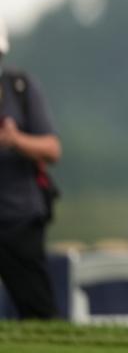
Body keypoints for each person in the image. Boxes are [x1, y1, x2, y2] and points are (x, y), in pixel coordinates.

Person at [0, 18, 61, 320]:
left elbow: (52, 149)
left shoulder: (19, 88)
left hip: (18, 218)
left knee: (39, 314)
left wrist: (15, 140)